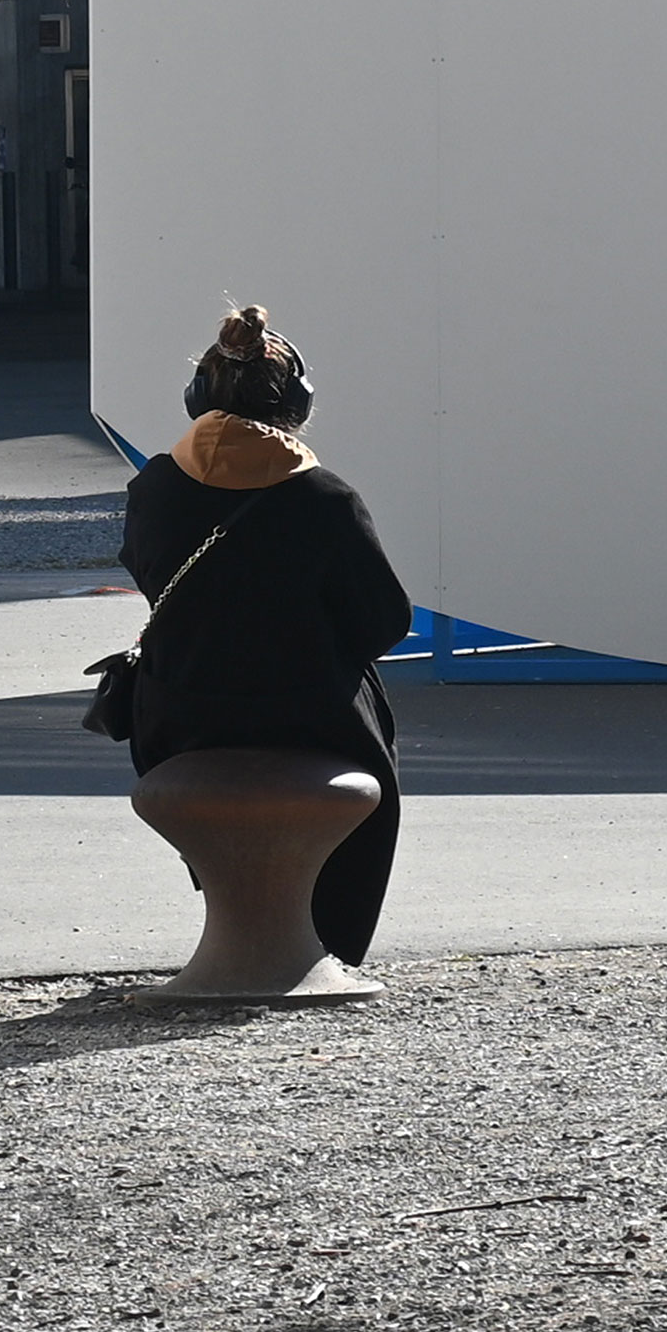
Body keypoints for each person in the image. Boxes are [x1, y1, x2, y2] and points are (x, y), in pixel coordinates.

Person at [116, 305, 414, 965]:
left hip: (180, 718)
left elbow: (145, 573)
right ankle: (325, 943)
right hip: (307, 716)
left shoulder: (155, 487)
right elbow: (386, 620)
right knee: (372, 744)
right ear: (297, 404)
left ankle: (242, 925)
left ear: (200, 398)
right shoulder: (324, 498)